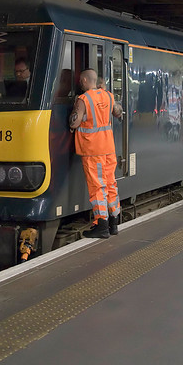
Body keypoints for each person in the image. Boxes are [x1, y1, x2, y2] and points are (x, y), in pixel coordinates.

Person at [69, 69, 124, 238]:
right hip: (108, 148)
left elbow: (75, 121)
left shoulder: (83, 99)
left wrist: (72, 122)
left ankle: (102, 225)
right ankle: (114, 222)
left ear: (85, 80)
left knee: (97, 188)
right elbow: (118, 112)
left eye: (80, 80)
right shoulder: (108, 96)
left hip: (93, 150)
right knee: (110, 184)